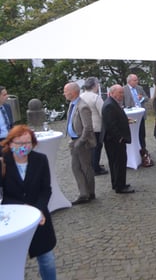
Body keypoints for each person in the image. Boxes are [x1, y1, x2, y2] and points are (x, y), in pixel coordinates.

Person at [1, 125, 57, 279]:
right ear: (11, 144)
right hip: (12, 219)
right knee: (12, 261)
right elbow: (1, 194)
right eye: (20, 143)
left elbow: (46, 190)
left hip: (38, 217)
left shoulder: (40, 160)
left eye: (28, 142)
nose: (24, 147)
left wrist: (38, 209)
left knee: (47, 260)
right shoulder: (3, 162)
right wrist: (20, 207)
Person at [64, 82, 97, 205]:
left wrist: (80, 141)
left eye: (65, 91)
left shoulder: (82, 106)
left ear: (72, 92)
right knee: (76, 167)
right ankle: (85, 193)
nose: (64, 93)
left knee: (85, 167)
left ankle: (88, 193)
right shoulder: (73, 104)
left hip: (81, 142)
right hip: (74, 140)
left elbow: (88, 127)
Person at [101, 84, 134, 194]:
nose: (122, 95)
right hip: (114, 140)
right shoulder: (109, 105)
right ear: (113, 92)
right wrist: (119, 138)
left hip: (113, 139)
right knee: (119, 162)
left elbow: (116, 118)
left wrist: (124, 120)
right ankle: (120, 186)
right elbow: (111, 125)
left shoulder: (112, 103)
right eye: (120, 92)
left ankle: (117, 183)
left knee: (116, 162)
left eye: (122, 92)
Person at [80, 77, 108, 176]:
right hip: (96, 126)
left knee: (90, 148)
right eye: (97, 84)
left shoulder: (81, 96)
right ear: (94, 86)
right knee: (97, 147)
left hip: (85, 126)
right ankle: (96, 168)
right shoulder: (95, 97)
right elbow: (103, 112)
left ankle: (92, 165)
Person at [123, 74, 152, 166]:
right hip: (130, 116)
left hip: (140, 115)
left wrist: (142, 98)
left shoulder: (139, 88)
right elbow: (121, 102)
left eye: (137, 80)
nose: (137, 82)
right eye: (135, 80)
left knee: (142, 134)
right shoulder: (124, 90)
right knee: (132, 134)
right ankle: (133, 152)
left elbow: (147, 98)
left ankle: (143, 151)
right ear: (129, 81)